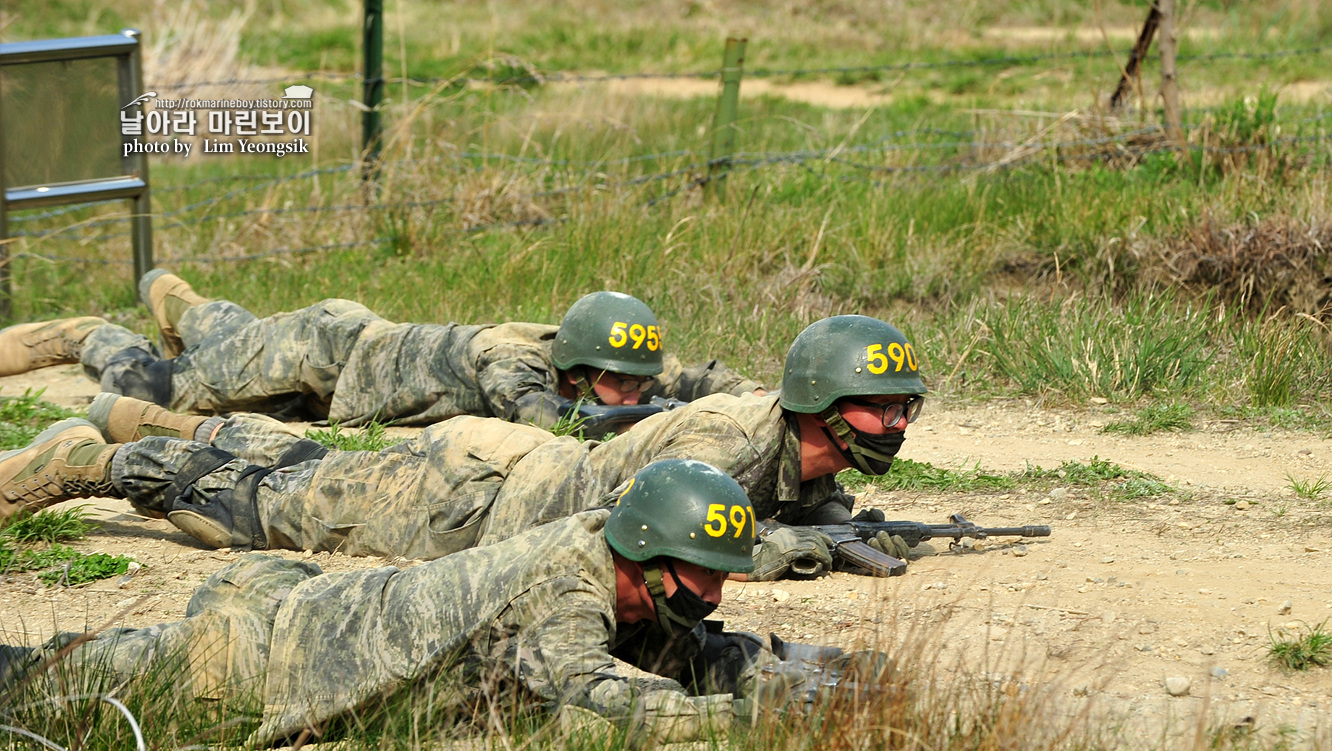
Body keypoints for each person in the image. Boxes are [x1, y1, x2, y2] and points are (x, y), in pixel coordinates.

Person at [0, 315, 926, 580]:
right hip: (476, 496)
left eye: (903, 412)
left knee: (315, 476)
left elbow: (798, 508)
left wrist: (841, 525)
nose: (893, 428)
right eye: (877, 409)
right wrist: (781, 548)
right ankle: (93, 463)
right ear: (818, 404)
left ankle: (160, 429)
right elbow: (645, 528)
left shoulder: (803, 453)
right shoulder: (722, 440)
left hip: (499, 483)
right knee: (267, 514)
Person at [0, 460, 800, 746]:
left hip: (315, 605)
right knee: (32, 685)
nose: (714, 594)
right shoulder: (565, 586)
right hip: (259, 665)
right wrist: (747, 715)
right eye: (700, 576)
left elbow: (681, 651)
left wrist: (778, 669)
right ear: (646, 558)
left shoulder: (614, 554)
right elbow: (599, 699)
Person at [0, 270, 762, 429]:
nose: (634, 392)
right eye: (619, 386)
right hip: (325, 351)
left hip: (340, 377)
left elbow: (686, 374)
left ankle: (183, 302)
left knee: (230, 345)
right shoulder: (515, 361)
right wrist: (657, 417)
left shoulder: (602, 357)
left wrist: (754, 397)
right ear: (579, 368)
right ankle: (82, 335)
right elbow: (548, 423)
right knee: (162, 391)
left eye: (634, 384)